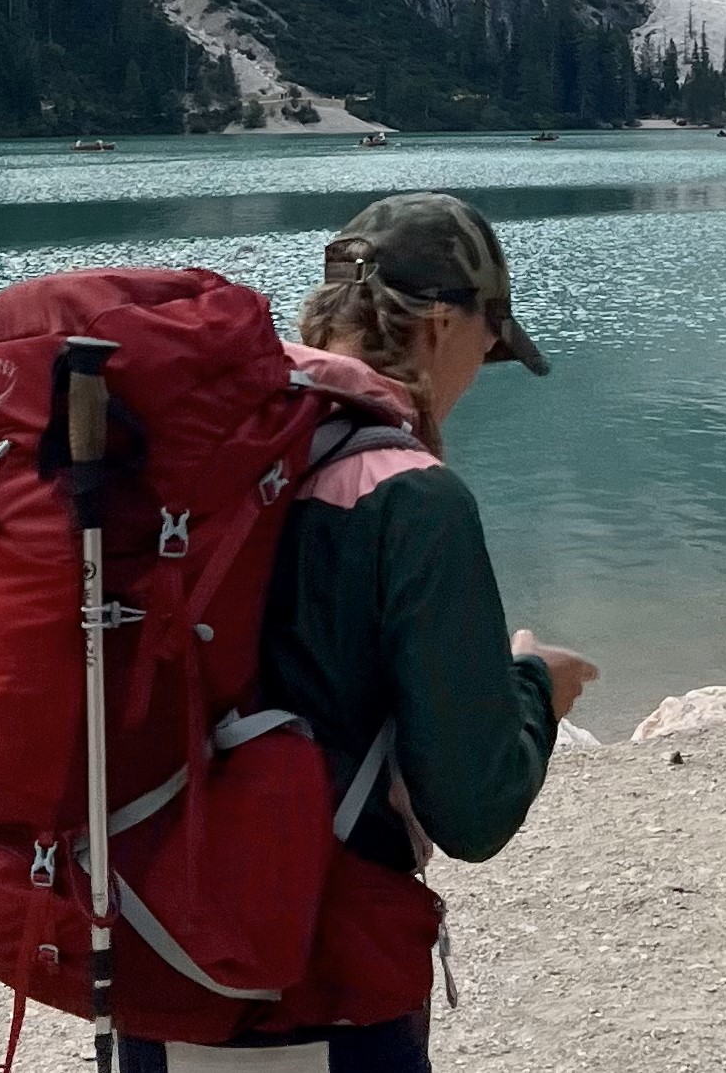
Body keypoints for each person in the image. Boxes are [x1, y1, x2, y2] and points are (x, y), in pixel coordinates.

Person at [120, 192, 597, 1073]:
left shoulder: (206, 447)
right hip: (317, 973)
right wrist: (535, 682)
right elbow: (474, 807)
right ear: (440, 326)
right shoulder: (409, 496)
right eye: (489, 342)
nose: (483, 365)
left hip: (150, 942)